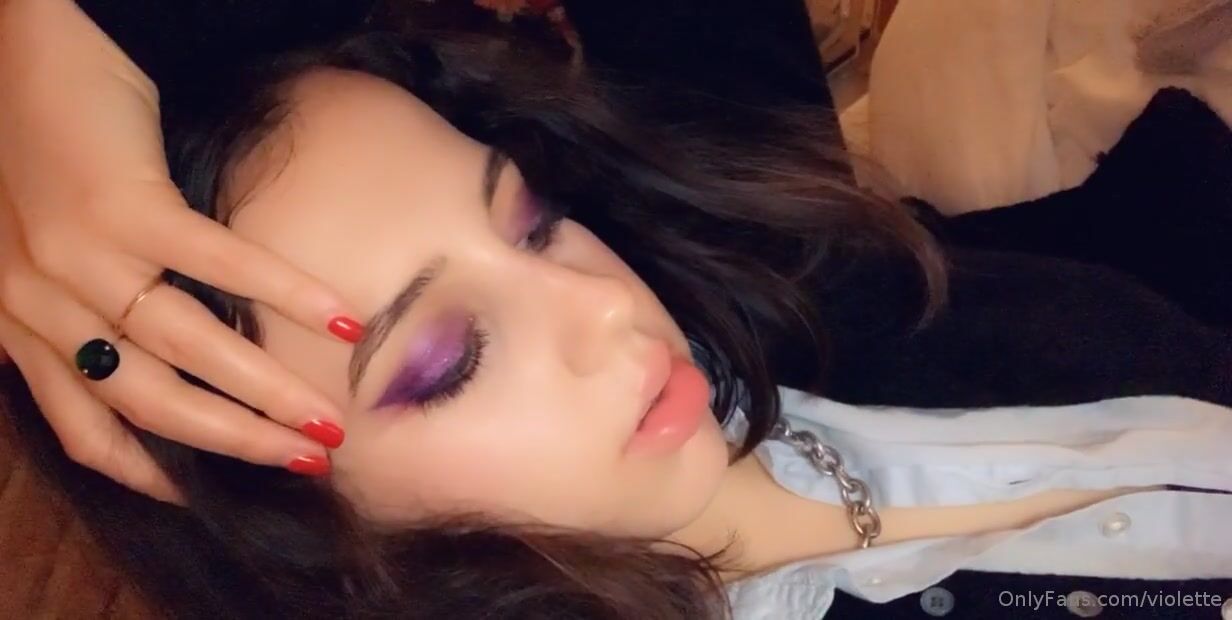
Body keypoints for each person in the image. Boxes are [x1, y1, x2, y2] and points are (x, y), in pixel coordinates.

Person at [4, 9, 1232, 618]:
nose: (600, 309)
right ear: (299, 532)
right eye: (448, 358)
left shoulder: (774, 279)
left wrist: (50, 37)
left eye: (532, 220)